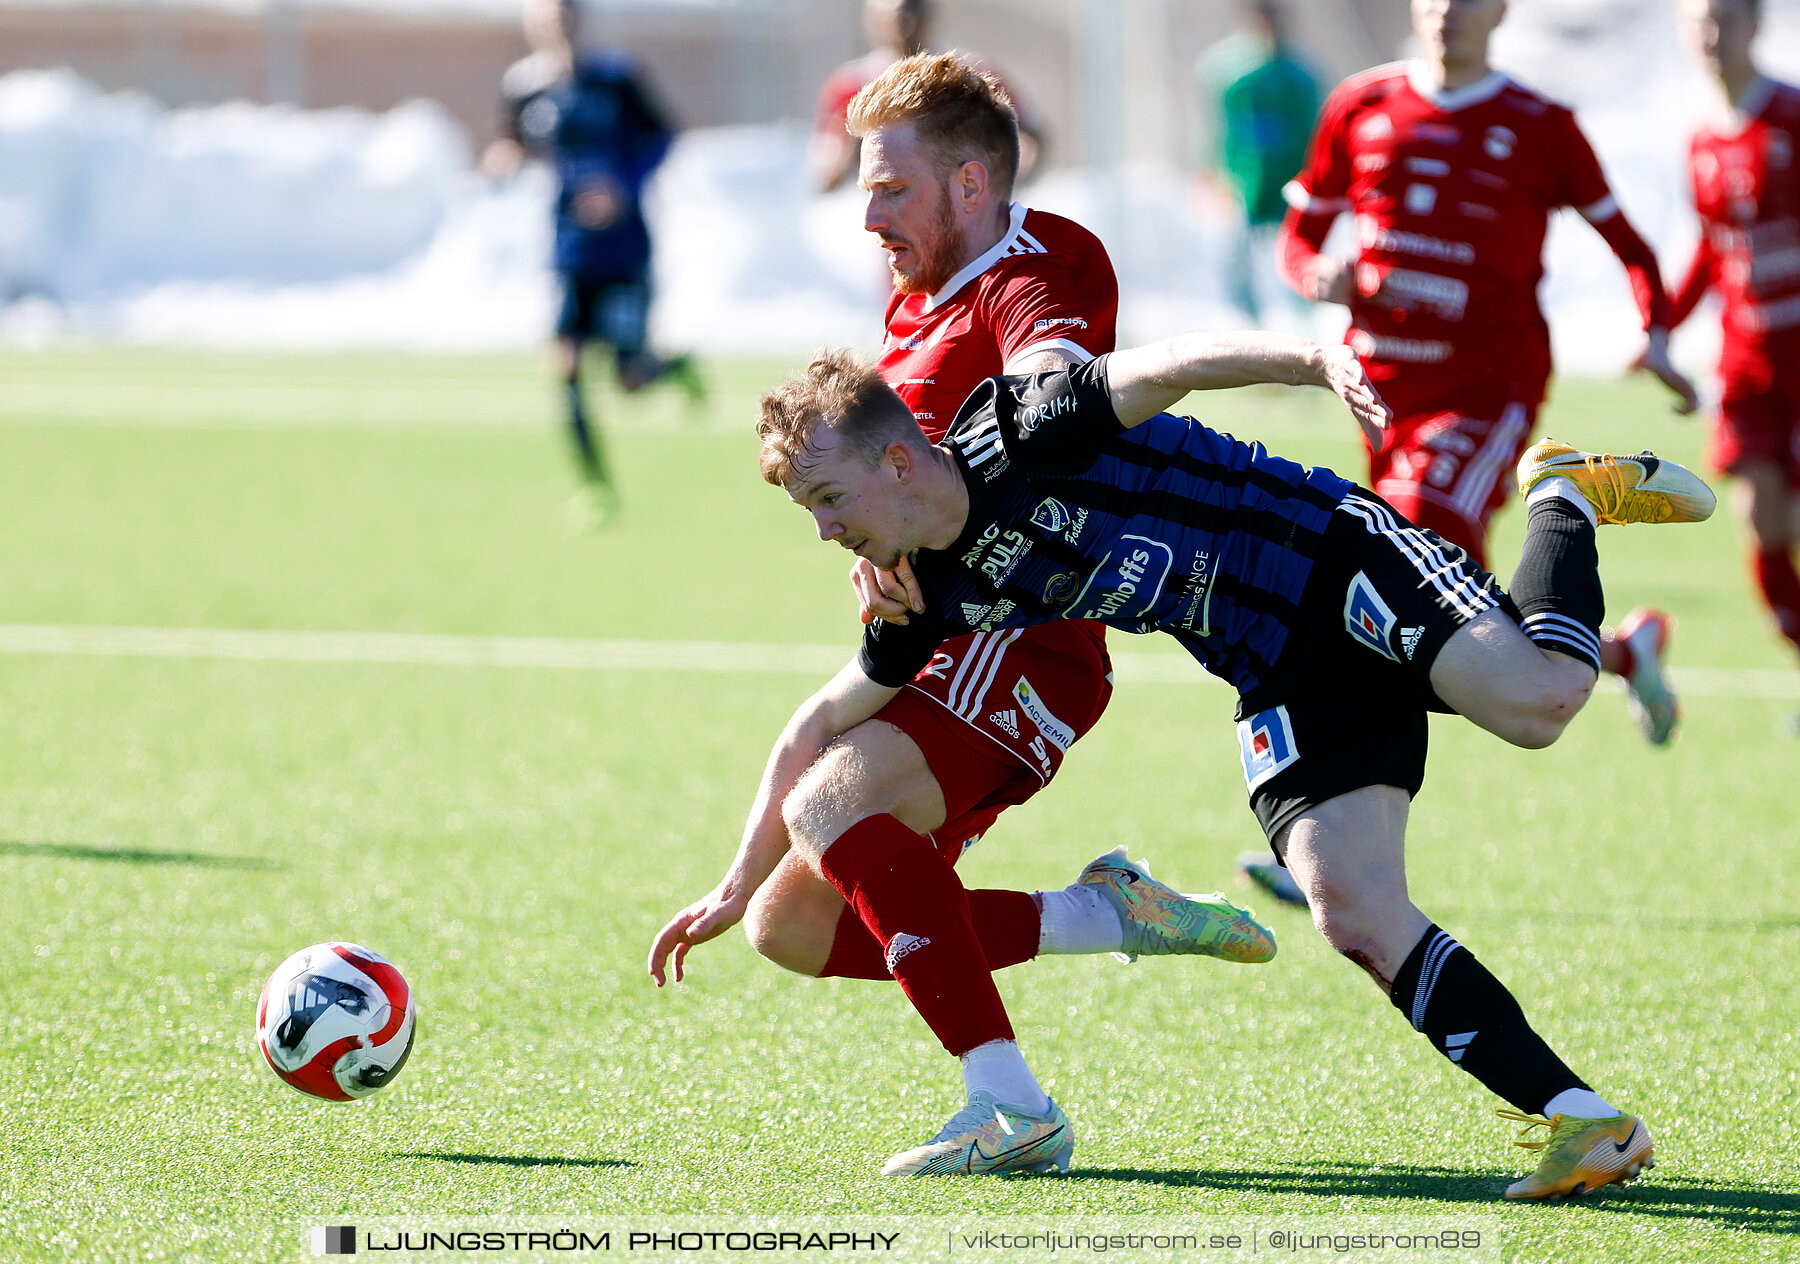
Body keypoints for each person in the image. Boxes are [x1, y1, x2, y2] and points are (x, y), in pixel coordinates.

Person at [757, 331, 1716, 1199]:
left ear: (896, 461)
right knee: (1352, 910)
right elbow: (828, 715)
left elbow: (1168, 367)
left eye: (828, 500)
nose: (823, 530)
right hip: (1270, 662)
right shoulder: (924, 590)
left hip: (1330, 553)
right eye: (808, 510)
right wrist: (735, 889)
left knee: (1539, 702)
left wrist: (1309, 360)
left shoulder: (1024, 430)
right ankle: (1586, 1122)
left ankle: (1562, 494)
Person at [650, 52, 1276, 1180]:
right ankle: (1105, 913)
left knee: (832, 797)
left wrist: (967, 487)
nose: (869, 213)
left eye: (890, 187)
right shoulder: (915, 296)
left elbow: (1049, 381)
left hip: (1018, 638)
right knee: (790, 927)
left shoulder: (1040, 262)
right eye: (862, 186)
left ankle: (1011, 1105)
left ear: (973, 183)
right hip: (926, 647)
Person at [1276, 0, 1700, 752]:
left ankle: (1342, 813)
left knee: (1411, 536)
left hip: (1485, 386)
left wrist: (1657, 336)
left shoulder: (1539, 123)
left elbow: (1631, 245)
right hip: (1377, 386)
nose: (1448, 12)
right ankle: (1623, 654)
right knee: (1432, 590)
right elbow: (1300, 238)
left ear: (1500, 10)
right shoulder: (1360, 105)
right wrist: (1316, 274)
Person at [483, 0, 702, 523]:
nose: (554, 24)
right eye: (544, 15)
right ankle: (596, 487)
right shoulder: (525, 87)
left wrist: (622, 187)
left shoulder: (616, 78)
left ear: (577, 20)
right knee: (567, 367)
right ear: (530, 23)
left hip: (624, 250)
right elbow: (511, 140)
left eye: (562, 14)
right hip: (568, 250)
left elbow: (665, 136)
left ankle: (674, 368)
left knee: (628, 380)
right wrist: (503, 158)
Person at [1669, 0, 1800, 729]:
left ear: (1756, 24)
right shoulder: (1701, 141)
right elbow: (1713, 250)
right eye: (1699, 23)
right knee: (1762, 523)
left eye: (1723, 19)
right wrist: (1662, 325)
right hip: (1747, 366)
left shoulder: (1792, 116)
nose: (1711, 36)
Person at [809, 0, 1042, 194]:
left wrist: (1011, 179)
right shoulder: (852, 84)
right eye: (892, 15)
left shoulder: (970, 72)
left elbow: (1035, 134)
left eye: (912, 9)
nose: (904, 23)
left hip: (963, 221)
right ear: (870, 20)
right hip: (885, 228)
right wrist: (854, 153)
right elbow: (823, 175)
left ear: (929, 14)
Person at [1195, 0, 1321, 325]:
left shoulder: (1301, 75)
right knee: (1233, 263)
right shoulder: (1227, 71)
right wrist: (1214, 174)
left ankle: (1303, 328)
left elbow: (1313, 132)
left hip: (1289, 182)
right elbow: (1216, 129)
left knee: (1293, 258)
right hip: (1239, 182)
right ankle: (1245, 330)